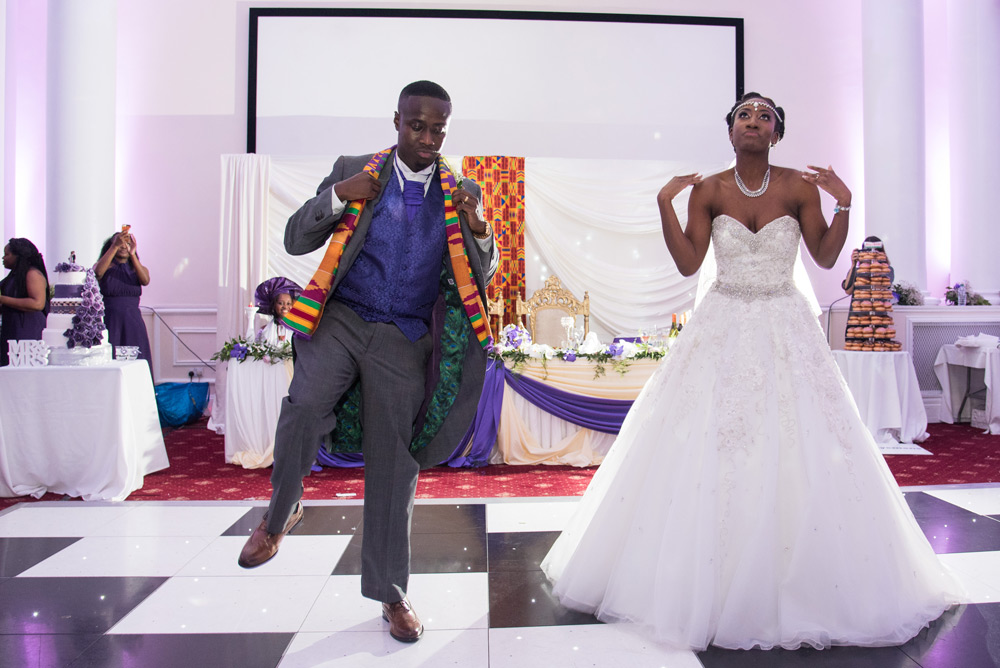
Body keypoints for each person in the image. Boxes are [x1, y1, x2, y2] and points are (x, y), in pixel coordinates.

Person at [541, 93, 961, 650]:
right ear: (730, 129)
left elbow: (828, 258)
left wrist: (845, 205)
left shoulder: (798, 186)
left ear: (777, 133)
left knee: (800, 437)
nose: (754, 121)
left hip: (785, 323)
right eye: (745, 114)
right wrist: (665, 204)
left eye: (765, 116)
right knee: (707, 438)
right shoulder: (710, 189)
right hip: (722, 320)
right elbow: (690, 262)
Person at [237, 80, 498, 643]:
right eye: (416, 126)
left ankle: (391, 593)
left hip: (403, 339)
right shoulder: (355, 168)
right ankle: (280, 514)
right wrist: (339, 196)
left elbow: (485, 271)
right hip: (342, 319)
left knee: (393, 463)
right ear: (397, 121)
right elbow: (296, 235)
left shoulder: (461, 188)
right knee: (304, 406)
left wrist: (480, 230)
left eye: (438, 129)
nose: (427, 138)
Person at [94, 230, 152, 366]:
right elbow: (97, 273)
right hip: (110, 320)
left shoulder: (138, 268)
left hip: (132, 321)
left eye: (127, 243)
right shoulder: (104, 266)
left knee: (135, 359)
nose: (124, 246)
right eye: (120, 243)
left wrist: (133, 255)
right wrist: (114, 246)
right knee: (111, 358)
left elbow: (145, 280)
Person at [0, 238, 50, 367]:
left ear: (18, 256)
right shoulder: (14, 275)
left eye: (7, 254)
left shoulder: (32, 274)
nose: (3, 258)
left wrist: (2, 299)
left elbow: (38, 303)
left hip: (28, 329)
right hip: (12, 326)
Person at [253, 276, 301, 346]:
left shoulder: (298, 331)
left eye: (288, 304)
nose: (285, 307)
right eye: (280, 303)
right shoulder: (264, 331)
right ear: (274, 305)